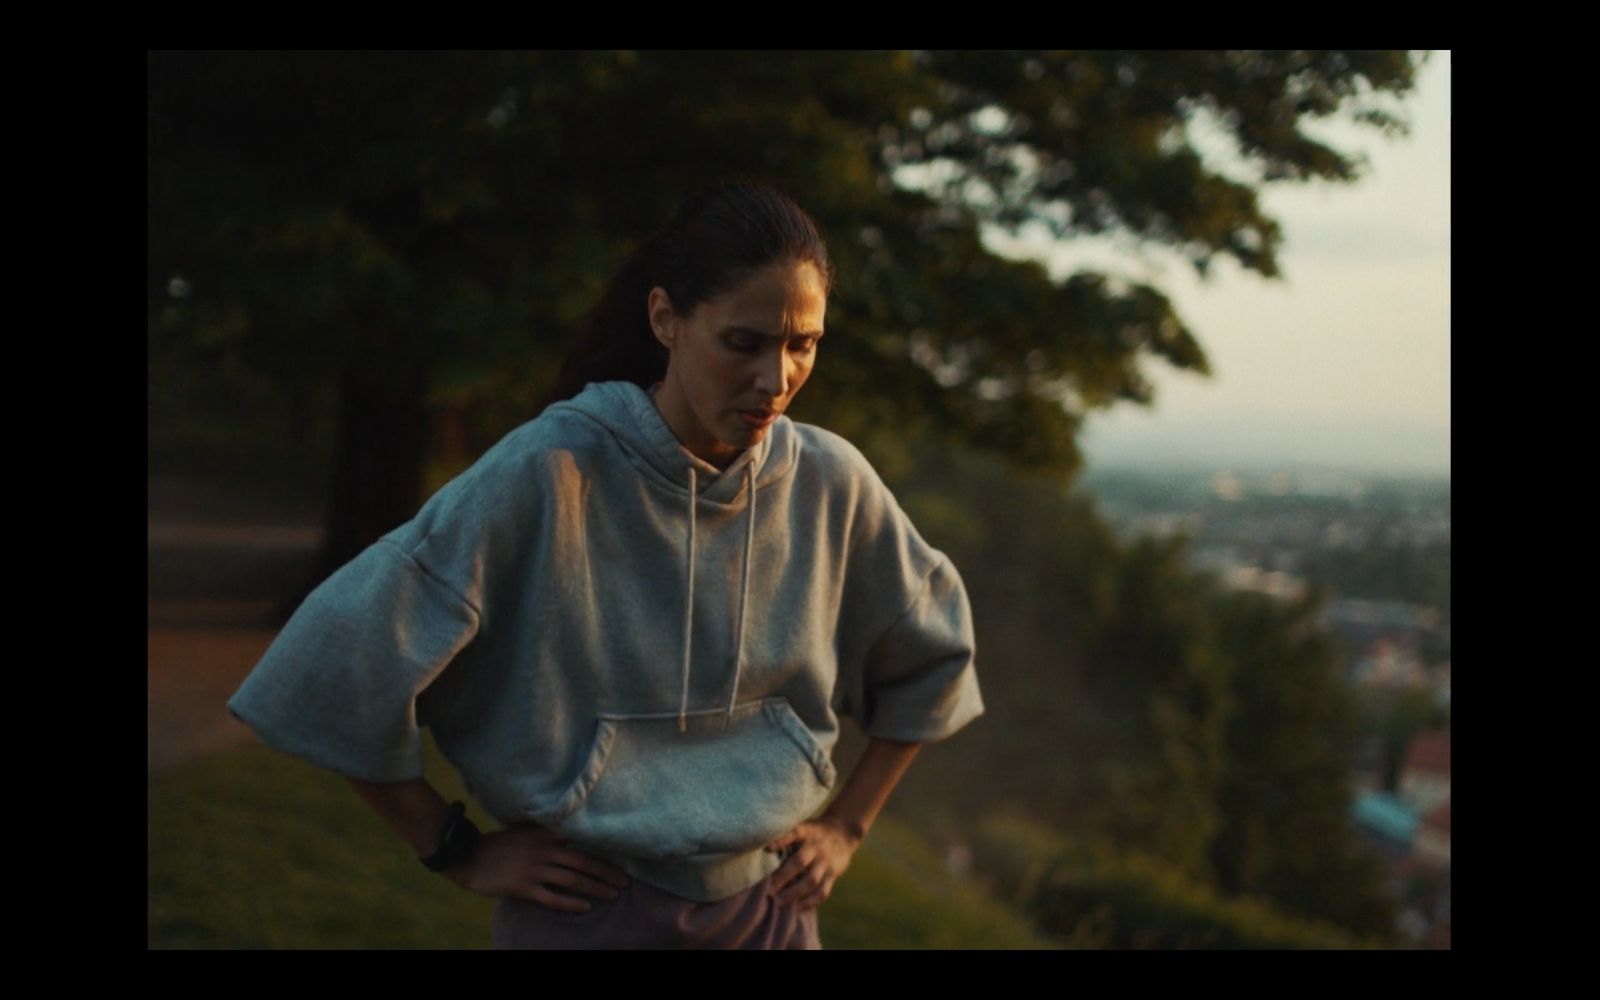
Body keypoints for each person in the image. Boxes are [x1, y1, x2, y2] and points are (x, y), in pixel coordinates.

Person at [228, 183, 983, 950]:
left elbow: (932, 654)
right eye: (744, 343)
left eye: (803, 344)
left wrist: (848, 827)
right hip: (586, 912)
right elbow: (332, 666)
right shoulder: (546, 473)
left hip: (770, 913)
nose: (776, 379)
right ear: (666, 318)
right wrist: (452, 848)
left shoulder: (830, 481)